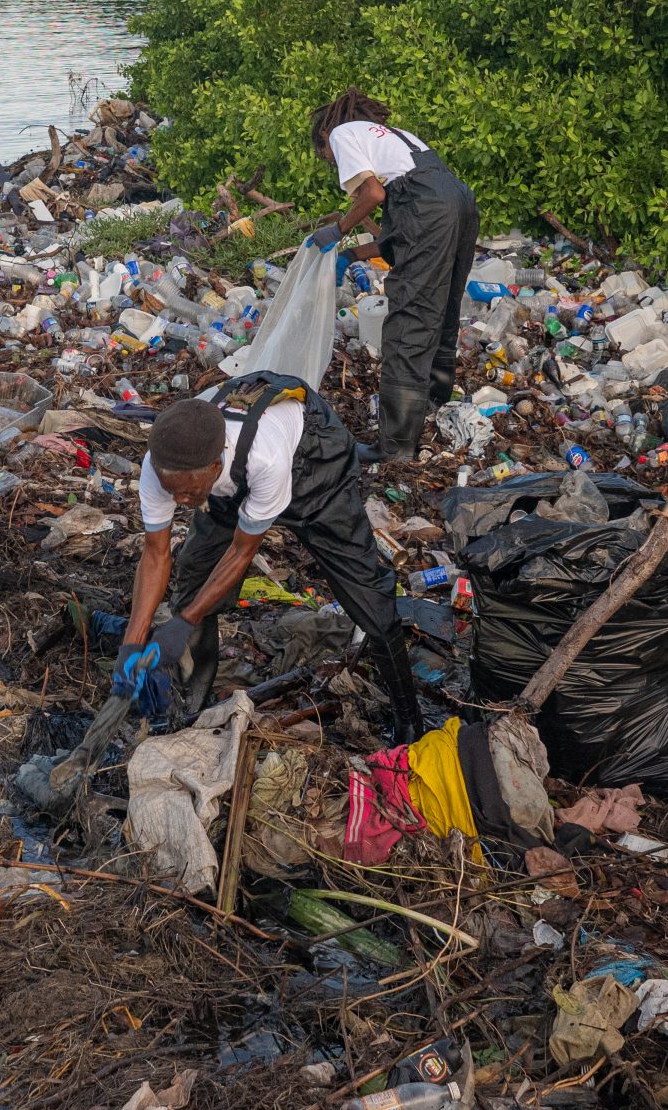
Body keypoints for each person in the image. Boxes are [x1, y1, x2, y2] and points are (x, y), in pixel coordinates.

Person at [114, 372, 425, 742]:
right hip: (226, 481)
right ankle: (189, 706)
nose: (179, 501)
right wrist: (132, 641)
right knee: (194, 575)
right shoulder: (164, 466)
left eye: (186, 492)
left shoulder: (265, 457)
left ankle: (408, 718)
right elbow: (155, 554)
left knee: (366, 592)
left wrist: (185, 621)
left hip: (312, 463)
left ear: (214, 466)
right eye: (172, 491)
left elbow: (242, 551)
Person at [302, 88, 480, 462]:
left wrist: (338, 229)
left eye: (326, 157)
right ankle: (433, 404)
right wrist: (352, 254)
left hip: (429, 207)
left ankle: (395, 446)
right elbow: (405, 238)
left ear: (325, 136)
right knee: (443, 308)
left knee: (409, 322)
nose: (332, 162)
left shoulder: (341, 133)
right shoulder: (395, 138)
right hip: (460, 201)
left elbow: (374, 195)